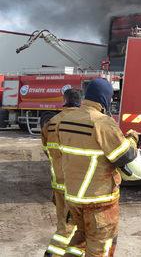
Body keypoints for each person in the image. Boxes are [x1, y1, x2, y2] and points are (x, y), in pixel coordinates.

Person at [55, 78, 141, 257]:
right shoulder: (102, 122)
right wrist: (133, 138)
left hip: (73, 198)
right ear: (105, 98)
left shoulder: (65, 120)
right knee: (101, 249)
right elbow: (124, 156)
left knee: (78, 241)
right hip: (99, 202)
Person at [41, 88, 83, 257]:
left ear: (64, 101)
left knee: (65, 225)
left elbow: (47, 150)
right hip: (77, 186)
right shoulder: (81, 121)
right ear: (80, 102)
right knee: (72, 228)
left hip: (58, 184)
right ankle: (52, 254)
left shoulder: (51, 123)